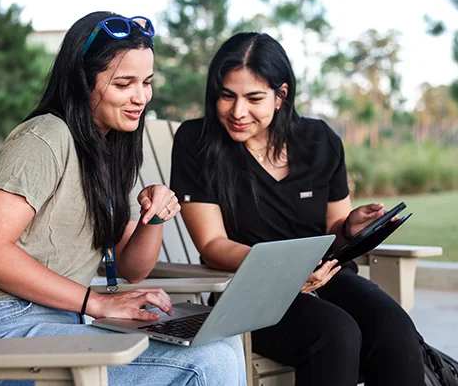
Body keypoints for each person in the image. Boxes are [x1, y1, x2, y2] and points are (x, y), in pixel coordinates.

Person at [0, 11, 246, 386]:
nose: (140, 97)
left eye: (147, 82)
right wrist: (97, 302)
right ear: (84, 81)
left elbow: (132, 268)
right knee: (207, 362)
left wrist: (156, 218)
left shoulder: (107, 151)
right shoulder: (45, 137)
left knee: (222, 338)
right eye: (123, 84)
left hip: (63, 326)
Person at [170, 32, 423, 386]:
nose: (237, 111)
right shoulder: (196, 143)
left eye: (253, 98)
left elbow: (333, 226)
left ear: (281, 96)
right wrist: (285, 271)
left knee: (396, 332)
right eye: (227, 96)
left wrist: (350, 227)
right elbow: (212, 244)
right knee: (334, 333)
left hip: (326, 278)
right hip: (249, 290)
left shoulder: (319, 140)